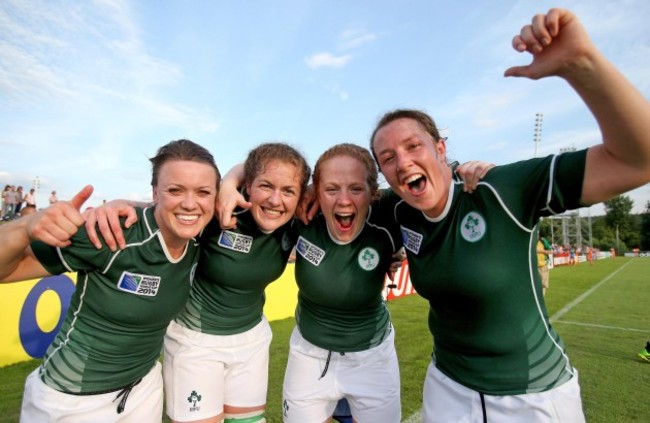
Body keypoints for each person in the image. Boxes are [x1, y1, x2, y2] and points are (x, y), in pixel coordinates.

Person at [369, 8, 650, 422]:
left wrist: (582, 65)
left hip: (532, 395)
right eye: (387, 157)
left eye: (414, 146)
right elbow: (325, 192)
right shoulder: (397, 207)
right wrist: (235, 177)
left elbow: (636, 160)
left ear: (441, 149)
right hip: (445, 386)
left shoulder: (502, 189)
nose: (402, 162)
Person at [86, 142, 311, 423]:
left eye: (288, 191)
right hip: (195, 343)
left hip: (252, 340)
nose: (276, 200)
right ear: (248, 186)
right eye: (265, 186)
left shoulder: (295, 223)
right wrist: (119, 206)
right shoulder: (220, 212)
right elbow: (170, 212)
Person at [0, 139, 220, 422]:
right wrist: (25, 226)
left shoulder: (204, 236)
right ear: (155, 192)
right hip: (72, 399)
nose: (190, 203)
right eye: (175, 190)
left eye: (203, 192)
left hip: (143, 389)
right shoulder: (113, 233)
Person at [282, 144, 403, 422]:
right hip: (308, 355)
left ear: (373, 194)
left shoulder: (389, 217)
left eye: (356, 189)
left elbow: (438, 186)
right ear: (316, 191)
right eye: (331, 189)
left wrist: (468, 169)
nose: (344, 201)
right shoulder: (302, 217)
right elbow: (255, 182)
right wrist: (231, 178)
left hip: (372, 357)